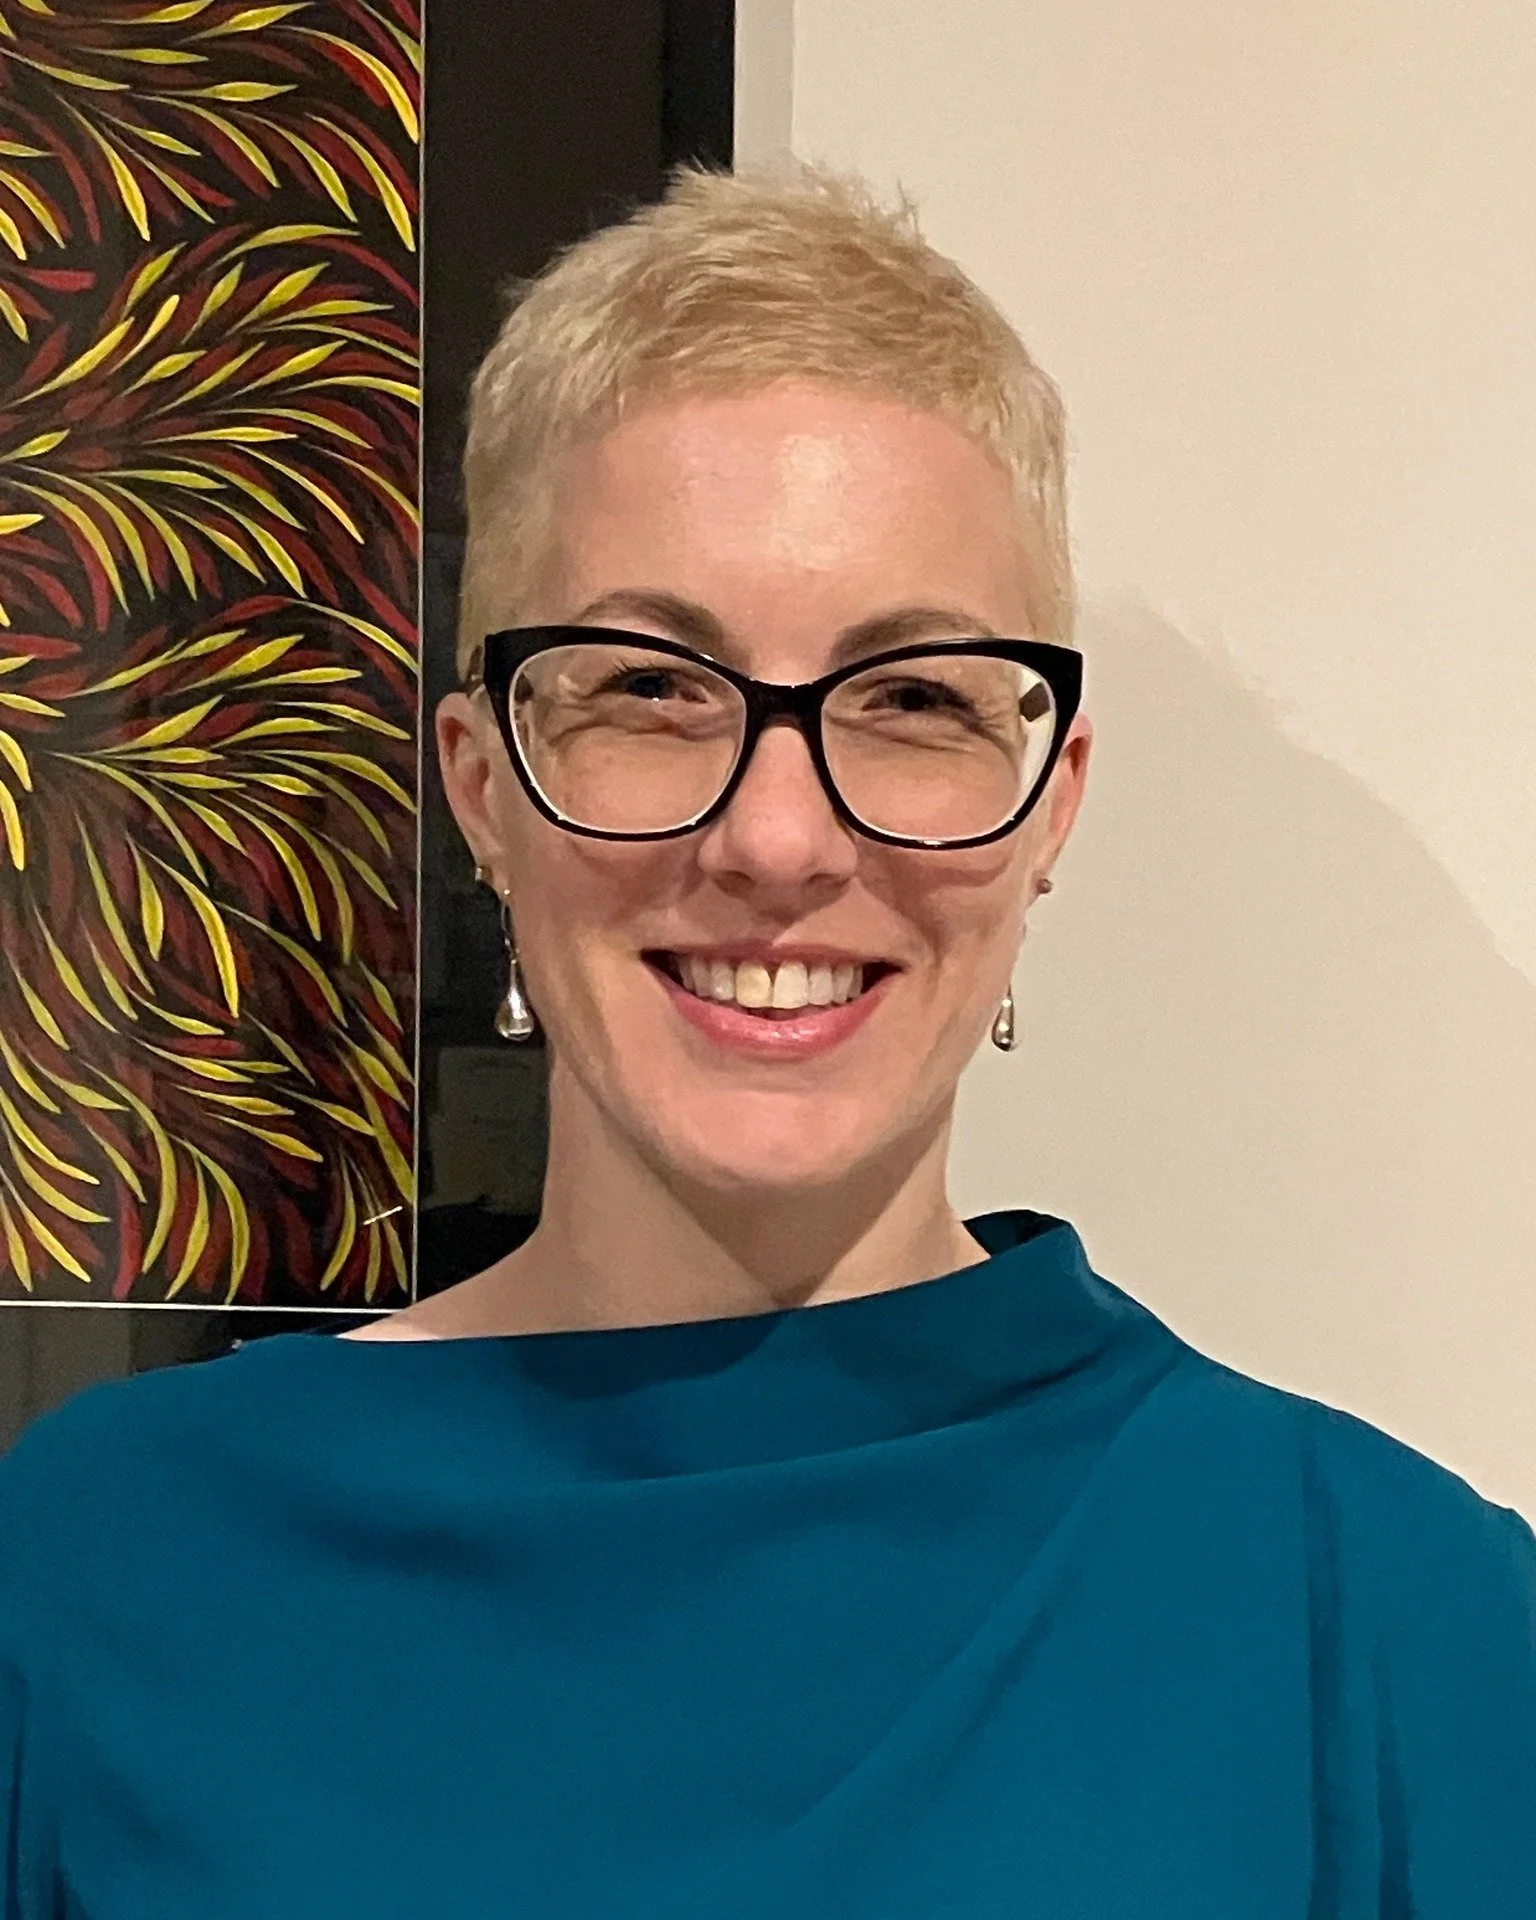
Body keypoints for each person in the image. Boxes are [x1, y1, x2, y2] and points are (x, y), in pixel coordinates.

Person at [1, 164, 1532, 1919]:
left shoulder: (1399, 1627)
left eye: (914, 699)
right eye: (651, 688)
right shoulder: (100, 1570)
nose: (780, 840)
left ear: (1050, 807)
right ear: (483, 787)